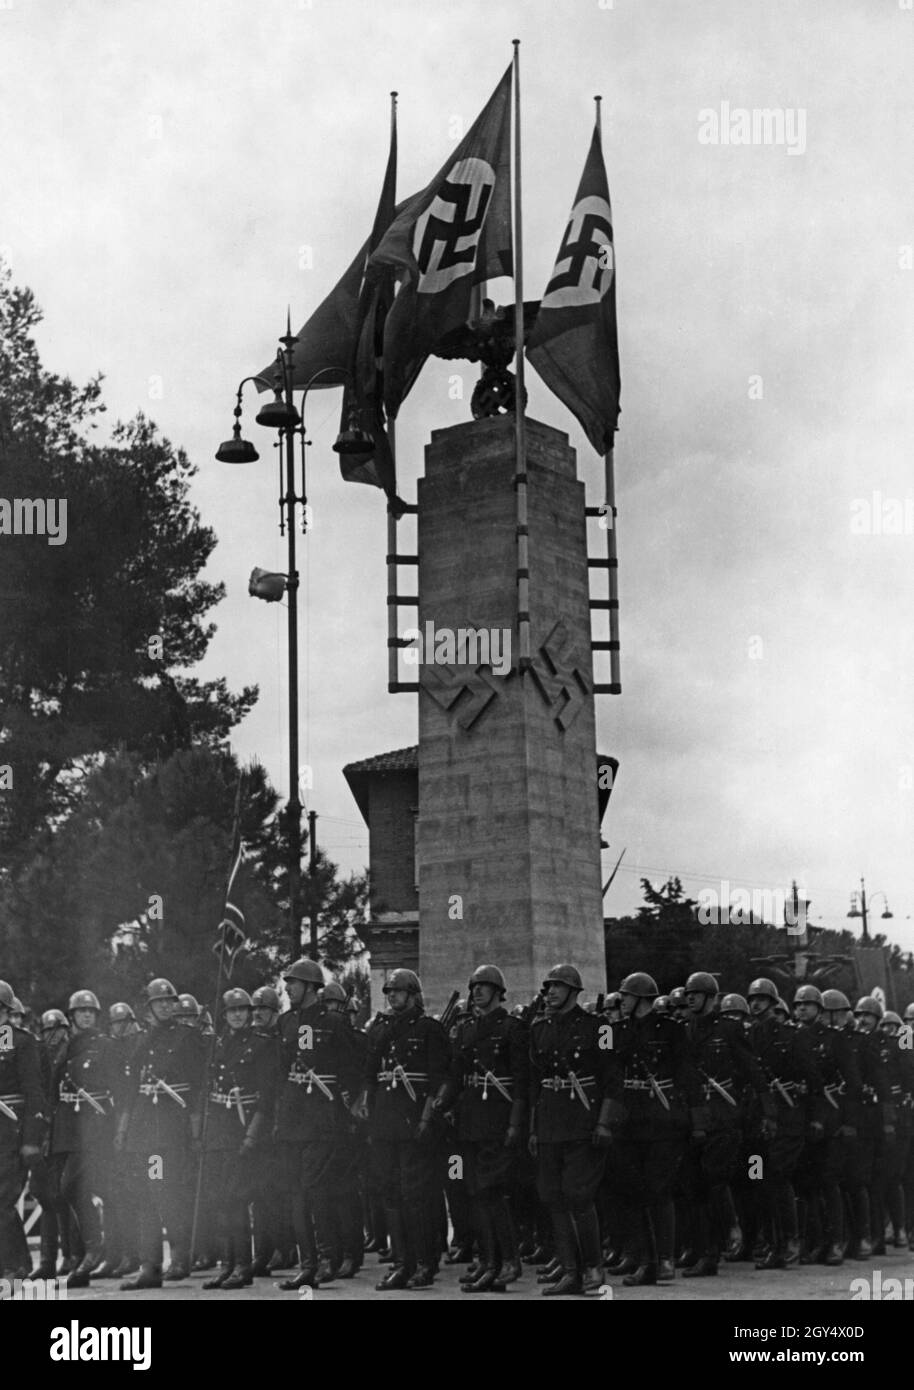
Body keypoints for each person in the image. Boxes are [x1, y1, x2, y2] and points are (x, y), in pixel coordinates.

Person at [356, 968, 450, 1291]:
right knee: (391, 1194)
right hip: (386, 1124)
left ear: (413, 994)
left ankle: (424, 1263)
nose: (392, 996)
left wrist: (427, 1119)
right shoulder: (382, 1031)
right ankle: (401, 1263)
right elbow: (370, 1073)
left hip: (414, 1123)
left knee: (416, 1196)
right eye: (389, 991)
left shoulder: (429, 1030)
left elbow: (440, 1080)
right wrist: (367, 1102)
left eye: (398, 991)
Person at [276, 958, 363, 1290]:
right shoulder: (285, 1023)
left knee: (315, 1189)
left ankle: (327, 1258)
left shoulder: (333, 1023)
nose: (288, 989)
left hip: (323, 1119)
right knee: (297, 1193)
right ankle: (308, 1263)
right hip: (293, 1120)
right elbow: (281, 1073)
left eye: (294, 984)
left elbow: (354, 1069)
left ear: (311, 988)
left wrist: (350, 1104)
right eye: (287, 984)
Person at [115, 977, 205, 1289]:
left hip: (170, 1129)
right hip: (144, 1131)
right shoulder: (141, 1040)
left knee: (165, 1192)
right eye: (159, 1002)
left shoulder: (188, 1038)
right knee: (145, 1197)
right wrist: (123, 1130)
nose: (166, 1005)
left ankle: (179, 1257)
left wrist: (195, 1130)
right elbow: (129, 1089)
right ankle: (149, 1267)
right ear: (149, 1006)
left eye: (170, 1001)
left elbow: (198, 1089)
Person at [529, 964, 614, 1296]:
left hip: (582, 1121)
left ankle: (593, 1266)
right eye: (548, 986)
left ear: (574, 991)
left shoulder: (599, 1027)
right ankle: (569, 1270)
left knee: (578, 1195)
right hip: (551, 1121)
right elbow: (535, 1083)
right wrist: (534, 1129)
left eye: (558, 986)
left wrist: (605, 1121)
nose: (551, 991)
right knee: (552, 1196)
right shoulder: (539, 1029)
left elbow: (612, 1079)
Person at [444, 964, 528, 1293]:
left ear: (498, 992)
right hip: (471, 1123)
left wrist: (515, 1124)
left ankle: (508, 1261)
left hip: (498, 1120)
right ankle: (490, 1262)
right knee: (477, 1194)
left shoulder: (512, 1029)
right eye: (474, 986)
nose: (477, 991)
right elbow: (455, 1077)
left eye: (484, 986)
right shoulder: (467, 1030)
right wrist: (440, 1104)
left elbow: (521, 1083)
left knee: (491, 1193)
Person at [680, 971, 770, 1276]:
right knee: (694, 1186)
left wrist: (767, 1112)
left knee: (715, 1180)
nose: (690, 997)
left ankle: (723, 1239)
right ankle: (703, 1250)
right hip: (695, 1117)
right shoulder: (685, 1030)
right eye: (688, 993)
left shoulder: (729, 1029)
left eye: (696, 993)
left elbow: (753, 1072)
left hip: (724, 1115)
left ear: (710, 997)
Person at [201, 988, 278, 1290]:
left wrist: (252, 1135)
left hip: (244, 1128)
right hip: (220, 1129)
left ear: (249, 1013)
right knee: (220, 1200)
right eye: (232, 1011)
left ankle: (243, 1265)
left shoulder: (262, 1045)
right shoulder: (220, 1044)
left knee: (237, 1199)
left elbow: (267, 1097)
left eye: (242, 1010)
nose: (237, 1015)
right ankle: (227, 1264)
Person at [747, 977, 824, 1270]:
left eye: (762, 999)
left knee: (778, 1177)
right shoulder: (749, 1034)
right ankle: (772, 1244)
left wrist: (815, 1117)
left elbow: (814, 1080)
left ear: (773, 1003)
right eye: (752, 999)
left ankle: (790, 1242)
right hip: (759, 1115)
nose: (755, 1004)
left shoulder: (791, 1036)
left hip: (788, 1115)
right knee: (760, 1180)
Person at [50, 989, 117, 1287]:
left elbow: (119, 1087)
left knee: (72, 1185)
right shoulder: (68, 1047)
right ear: (72, 1016)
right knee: (76, 1188)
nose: (87, 1015)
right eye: (81, 1011)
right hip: (70, 1127)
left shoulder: (104, 1046)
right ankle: (89, 1255)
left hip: (97, 1126)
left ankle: (97, 1248)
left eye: (91, 1011)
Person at [792, 984, 861, 1266]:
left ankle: (835, 1243)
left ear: (819, 1010)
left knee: (829, 1181)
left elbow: (854, 1083)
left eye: (807, 1004)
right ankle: (816, 1242)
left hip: (832, 1117)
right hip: (803, 1117)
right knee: (808, 1185)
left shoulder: (834, 1039)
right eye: (797, 1005)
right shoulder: (794, 1037)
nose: (801, 1009)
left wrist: (850, 1122)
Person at [0, 980, 48, 1277]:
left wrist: (32, 1139)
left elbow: (35, 1094)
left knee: (3, 1198)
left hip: (12, 1132)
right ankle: (16, 1264)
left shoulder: (21, 1042)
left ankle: (14, 1267)